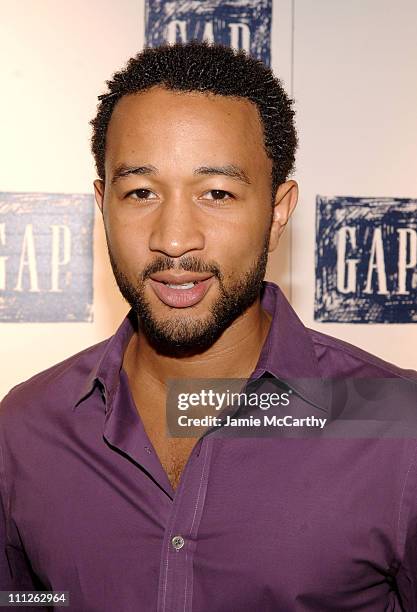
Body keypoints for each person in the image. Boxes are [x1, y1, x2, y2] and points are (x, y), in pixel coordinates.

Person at [1, 41, 416, 612]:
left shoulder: (398, 428)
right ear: (103, 206)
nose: (174, 238)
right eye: (140, 192)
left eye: (217, 193)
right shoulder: (23, 429)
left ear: (277, 212)